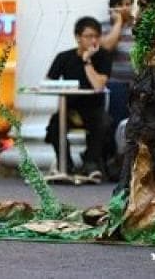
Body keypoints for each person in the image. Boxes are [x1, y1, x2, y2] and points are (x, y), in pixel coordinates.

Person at [45, 16, 112, 180]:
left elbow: (98, 85)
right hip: (69, 108)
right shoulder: (64, 57)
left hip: (93, 108)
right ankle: (65, 163)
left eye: (96, 36)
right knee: (54, 125)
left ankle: (90, 162)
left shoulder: (103, 56)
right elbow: (48, 82)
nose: (93, 40)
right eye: (88, 36)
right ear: (78, 37)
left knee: (103, 123)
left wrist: (87, 61)